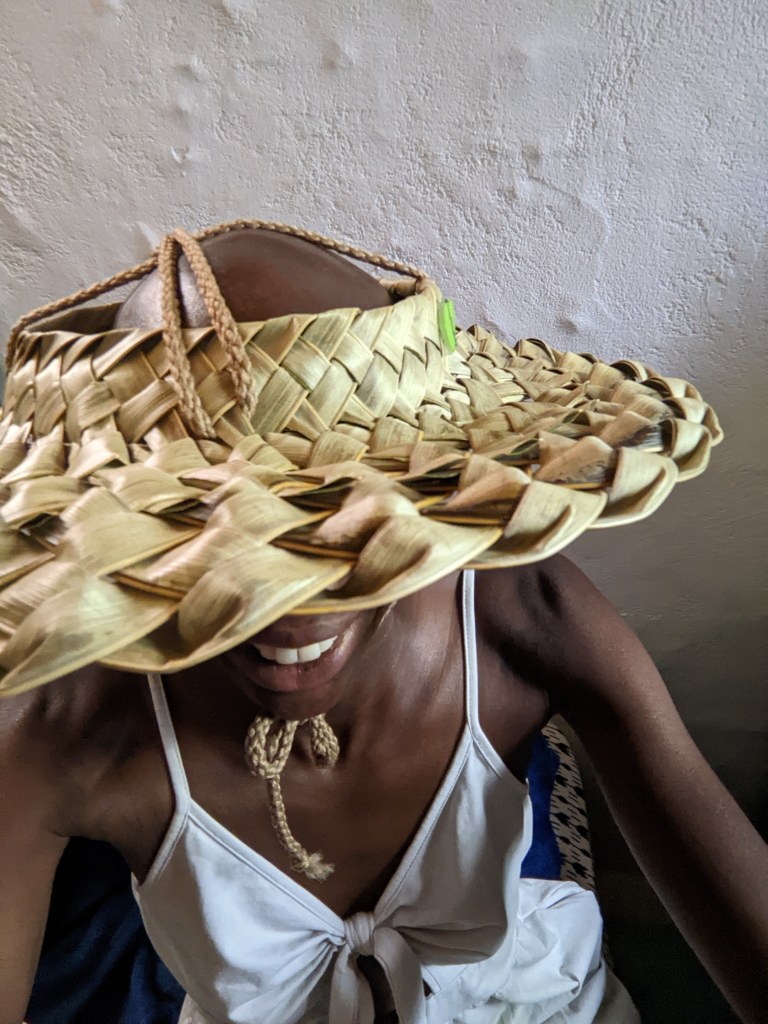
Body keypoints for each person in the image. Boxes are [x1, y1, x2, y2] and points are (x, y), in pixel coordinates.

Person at [0, 221, 765, 1024]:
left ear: (422, 493)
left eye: (343, 520)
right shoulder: (64, 729)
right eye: (208, 531)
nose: (290, 609)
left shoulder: (518, 616)